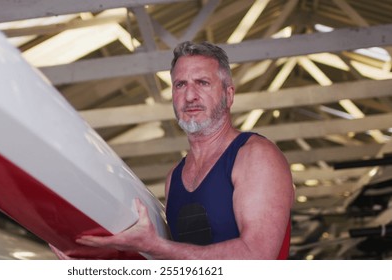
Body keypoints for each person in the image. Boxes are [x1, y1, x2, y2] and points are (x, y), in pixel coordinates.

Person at [68, 41, 295, 259]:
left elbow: (258, 257)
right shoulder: (174, 178)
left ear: (229, 95)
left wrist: (158, 248)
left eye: (202, 83)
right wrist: (95, 266)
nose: (189, 96)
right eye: (180, 84)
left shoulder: (256, 156)